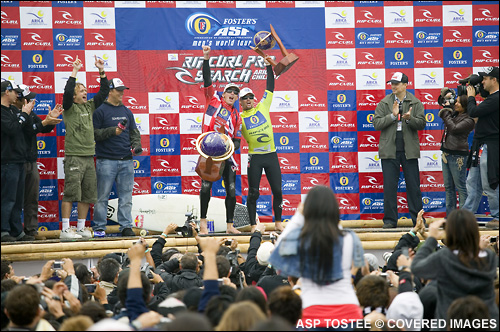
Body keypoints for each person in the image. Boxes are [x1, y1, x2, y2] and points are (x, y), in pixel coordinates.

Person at [269, 185, 365, 330]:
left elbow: (277, 251)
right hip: (349, 314)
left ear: (307, 210)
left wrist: (298, 217)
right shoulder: (350, 238)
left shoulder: (302, 240)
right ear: (334, 209)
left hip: (311, 314)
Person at [411, 209, 499, 330]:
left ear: (450, 232)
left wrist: (431, 238)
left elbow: (416, 268)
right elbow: (469, 257)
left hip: (449, 323)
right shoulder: (489, 257)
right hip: (487, 322)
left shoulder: (444, 256)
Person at [60, 55, 109, 239]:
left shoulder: (89, 106)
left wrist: (101, 71)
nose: (85, 92)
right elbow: (65, 93)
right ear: (74, 95)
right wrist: (75, 72)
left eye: (86, 90)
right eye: (81, 90)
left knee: (87, 195)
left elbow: (104, 92)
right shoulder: (69, 107)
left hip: (89, 156)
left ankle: (81, 227)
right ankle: (65, 229)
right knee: (71, 193)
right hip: (74, 156)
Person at [199, 45, 242, 234]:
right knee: (206, 188)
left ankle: (230, 226)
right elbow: (207, 79)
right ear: (223, 94)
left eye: (235, 92)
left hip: (227, 155)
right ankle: (202, 223)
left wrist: (231, 147)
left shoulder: (237, 116)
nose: (233, 93)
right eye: (229, 91)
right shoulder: (213, 101)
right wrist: (206, 58)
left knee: (231, 190)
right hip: (209, 152)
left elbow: (238, 139)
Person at [373, 72, 426, 228]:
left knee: (413, 187)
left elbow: (422, 123)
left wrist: (410, 119)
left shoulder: (415, 102)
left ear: (405, 85)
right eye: (392, 83)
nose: (393, 86)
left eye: (397, 83)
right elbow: (376, 124)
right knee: (389, 187)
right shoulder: (384, 102)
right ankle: (390, 221)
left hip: (409, 150)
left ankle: (418, 221)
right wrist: (392, 115)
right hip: (389, 150)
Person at [92, 78, 142, 238]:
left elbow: (134, 132)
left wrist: (136, 145)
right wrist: (113, 131)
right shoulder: (100, 110)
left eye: (123, 90)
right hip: (105, 160)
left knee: (126, 197)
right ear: (110, 91)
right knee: (102, 197)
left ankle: (126, 226)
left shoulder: (127, 111)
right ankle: (99, 227)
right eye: (119, 90)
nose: (121, 93)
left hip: (126, 160)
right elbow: (94, 134)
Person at [239, 59, 284, 232]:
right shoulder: (239, 118)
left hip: (271, 155)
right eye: (245, 98)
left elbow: (270, 85)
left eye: (251, 96)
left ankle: (278, 222)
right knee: (253, 193)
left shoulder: (263, 106)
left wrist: (267, 66)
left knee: (278, 191)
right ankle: (252, 225)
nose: (249, 99)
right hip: (255, 158)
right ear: (241, 102)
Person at [15, 84, 63, 241]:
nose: (30, 101)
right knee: (13, 199)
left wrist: (50, 120)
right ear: (19, 99)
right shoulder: (11, 113)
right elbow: (29, 130)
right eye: (27, 99)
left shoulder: (30, 112)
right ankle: (11, 231)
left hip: (31, 161)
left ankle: (31, 230)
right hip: (16, 162)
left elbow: (41, 129)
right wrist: (44, 122)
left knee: (32, 198)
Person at [462, 66, 499, 230]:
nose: (483, 81)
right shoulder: (490, 97)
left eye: (485, 79)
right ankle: (465, 217)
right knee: (472, 183)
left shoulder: (497, 98)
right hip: (480, 145)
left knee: (490, 183)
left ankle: (497, 217)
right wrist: (474, 84)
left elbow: (473, 111)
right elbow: (482, 94)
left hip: (491, 145)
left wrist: (471, 96)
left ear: (494, 80)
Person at [1, 80, 36, 242]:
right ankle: (3, 230)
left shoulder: (12, 111)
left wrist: (26, 115)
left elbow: (27, 130)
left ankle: (16, 230)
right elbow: (12, 129)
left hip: (19, 160)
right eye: (14, 91)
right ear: (6, 92)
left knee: (17, 200)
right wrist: (24, 114)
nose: (17, 94)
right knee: (7, 199)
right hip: (7, 161)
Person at [437, 90, 475, 217]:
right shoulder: (455, 113)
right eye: (455, 101)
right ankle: (450, 217)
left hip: (458, 156)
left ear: (465, 105)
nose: (455, 103)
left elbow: (453, 129)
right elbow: (442, 103)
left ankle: (464, 218)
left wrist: (446, 112)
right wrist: (445, 96)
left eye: (458, 102)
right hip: (446, 154)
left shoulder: (469, 120)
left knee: (461, 187)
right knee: (449, 188)